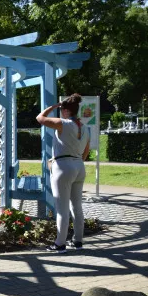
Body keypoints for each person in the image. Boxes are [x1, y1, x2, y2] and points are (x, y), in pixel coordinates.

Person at [36, 94, 90, 253]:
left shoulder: (63, 124)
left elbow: (40, 118)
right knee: (77, 207)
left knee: (62, 208)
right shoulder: (84, 128)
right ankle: (78, 241)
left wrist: (54, 106)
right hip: (79, 166)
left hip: (63, 166)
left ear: (66, 110)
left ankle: (60, 243)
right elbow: (85, 152)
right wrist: (76, 162)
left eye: (62, 110)